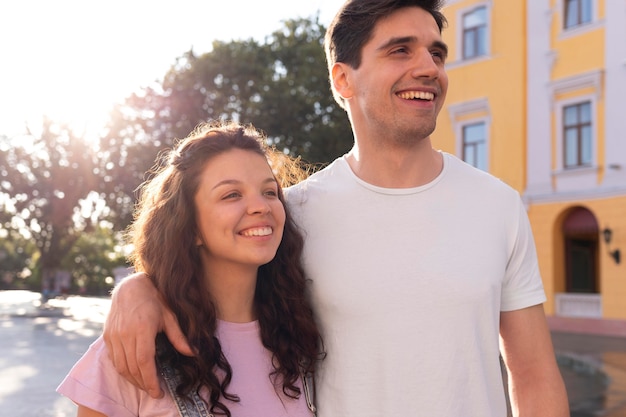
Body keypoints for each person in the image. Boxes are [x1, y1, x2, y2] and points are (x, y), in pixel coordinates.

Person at [102, 0, 570, 416]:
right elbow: (211, 285)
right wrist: (140, 288)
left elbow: (534, 375)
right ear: (343, 78)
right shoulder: (293, 214)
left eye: (436, 52)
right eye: (400, 50)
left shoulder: (498, 205)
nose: (429, 67)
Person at [57, 121, 324, 416]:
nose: (261, 206)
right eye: (231, 195)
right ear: (190, 226)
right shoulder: (135, 348)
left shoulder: (304, 337)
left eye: (270, 192)